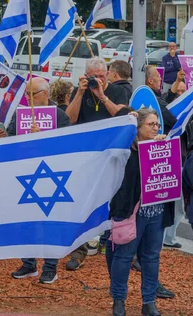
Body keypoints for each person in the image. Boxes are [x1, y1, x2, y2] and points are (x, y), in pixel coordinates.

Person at [0, 78, 71, 284]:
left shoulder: (60, 116)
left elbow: (67, 146)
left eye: (33, 94)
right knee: (26, 222)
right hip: (25, 175)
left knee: (50, 225)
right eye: (26, 95)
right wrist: (6, 136)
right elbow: (10, 141)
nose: (28, 99)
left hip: (51, 177)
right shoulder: (20, 114)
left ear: (45, 94)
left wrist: (45, 137)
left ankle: (50, 267)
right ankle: (28, 263)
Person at [106, 108, 175, 316]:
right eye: (151, 124)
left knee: (151, 257)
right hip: (131, 212)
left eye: (157, 125)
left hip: (157, 212)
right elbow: (112, 143)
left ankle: (149, 302)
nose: (156, 128)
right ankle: (118, 300)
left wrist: (162, 146)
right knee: (124, 257)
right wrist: (128, 116)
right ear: (137, 128)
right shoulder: (126, 149)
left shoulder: (161, 146)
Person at [64, 58, 129, 270]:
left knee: (114, 200)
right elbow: (70, 120)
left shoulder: (118, 91)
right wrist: (81, 93)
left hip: (111, 154)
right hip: (86, 156)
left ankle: (113, 244)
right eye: (94, 77)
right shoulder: (80, 91)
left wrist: (102, 95)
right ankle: (79, 251)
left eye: (101, 76)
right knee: (82, 201)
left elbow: (122, 116)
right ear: (85, 76)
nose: (98, 81)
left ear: (108, 74)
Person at [144, 65, 177, 133]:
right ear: (150, 81)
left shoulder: (145, 96)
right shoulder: (155, 100)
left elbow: (165, 102)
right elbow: (174, 119)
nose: (160, 79)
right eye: (158, 76)